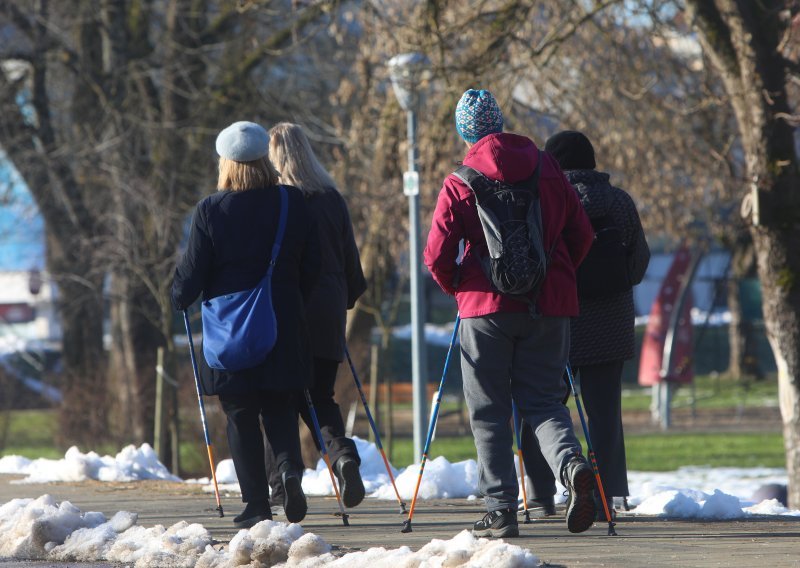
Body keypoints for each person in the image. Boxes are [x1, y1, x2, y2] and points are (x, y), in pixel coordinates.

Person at [424, 89, 597, 538]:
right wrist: (553, 277)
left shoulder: (460, 181)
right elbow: (582, 235)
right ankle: (571, 465)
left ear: (465, 133)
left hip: (485, 310)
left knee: (488, 411)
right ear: (500, 123)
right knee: (542, 401)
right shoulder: (547, 166)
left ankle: (500, 510)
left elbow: (436, 257)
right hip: (549, 304)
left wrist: (461, 288)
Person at [171, 121, 320, 528]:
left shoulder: (211, 210)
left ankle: (256, 504)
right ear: (264, 160)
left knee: (240, 414)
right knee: (279, 405)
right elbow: (315, 266)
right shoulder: (292, 203)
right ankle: (288, 468)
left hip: (230, 331)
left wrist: (180, 296)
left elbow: (191, 276)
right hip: (284, 324)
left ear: (226, 163)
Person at [519, 130, 650, 519]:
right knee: (605, 411)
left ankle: (542, 493)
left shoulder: (545, 200)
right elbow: (639, 259)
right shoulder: (620, 202)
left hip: (558, 319)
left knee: (541, 406)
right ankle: (609, 495)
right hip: (610, 323)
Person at [264, 122, 368, 510]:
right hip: (327, 313)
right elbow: (352, 266)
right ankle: (342, 456)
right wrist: (344, 299)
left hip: (284, 315)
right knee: (320, 397)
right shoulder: (331, 199)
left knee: (278, 403)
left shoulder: (275, 201)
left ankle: (284, 479)